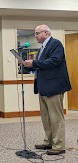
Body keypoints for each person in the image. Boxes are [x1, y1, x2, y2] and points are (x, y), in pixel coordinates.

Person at [24, 25, 71, 155]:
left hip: (54, 87)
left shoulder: (56, 44)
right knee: (46, 117)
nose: (35, 36)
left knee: (56, 117)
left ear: (46, 32)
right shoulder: (43, 48)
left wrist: (34, 63)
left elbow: (54, 61)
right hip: (43, 87)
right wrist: (28, 66)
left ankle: (59, 145)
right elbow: (42, 65)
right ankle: (48, 142)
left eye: (37, 33)